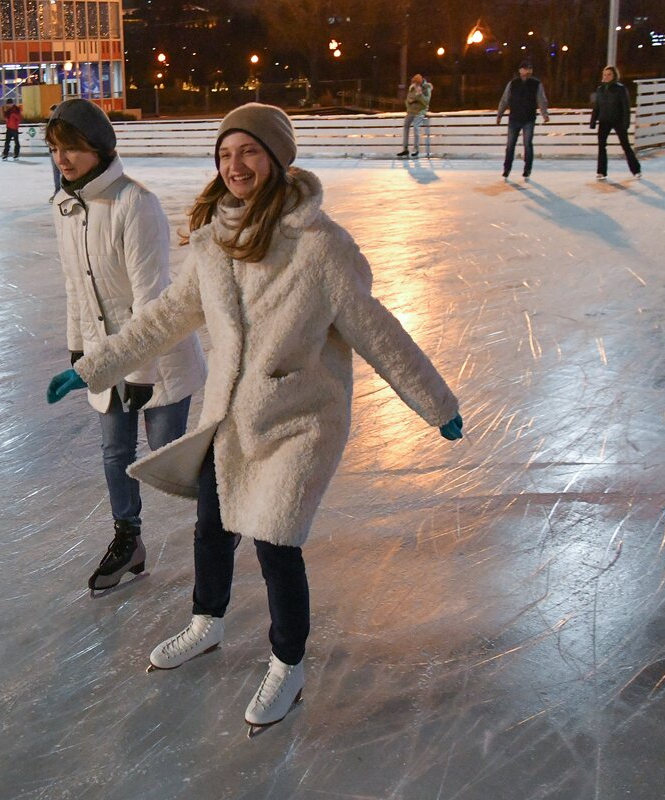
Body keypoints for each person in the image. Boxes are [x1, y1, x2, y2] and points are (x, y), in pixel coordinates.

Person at [47, 103, 464, 733]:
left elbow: (378, 332)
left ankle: (288, 663)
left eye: (248, 152)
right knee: (212, 529)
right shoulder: (214, 241)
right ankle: (205, 624)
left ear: (275, 157)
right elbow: (162, 318)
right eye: (224, 154)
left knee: (275, 540)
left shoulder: (322, 247)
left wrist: (438, 404)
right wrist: (93, 366)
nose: (235, 166)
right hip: (232, 415)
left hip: (301, 419)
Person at [46, 98, 207, 593]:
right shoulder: (64, 207)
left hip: (158, 357)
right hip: (105, 356)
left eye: (72, 148)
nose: (63, 159)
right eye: (55, 149)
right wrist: (80, 349)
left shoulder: (135, 203)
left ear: (98, 146)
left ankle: (224, 510)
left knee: (164, 450)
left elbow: (152, 299)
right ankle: (128, 538)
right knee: (115, 453)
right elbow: (75, 285)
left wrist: (140, 373)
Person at [496, 62, 550, 180]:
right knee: (510, 145)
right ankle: (507, 168)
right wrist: (499, 114)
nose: (528, 71)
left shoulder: (536, 84)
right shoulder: (513, 84)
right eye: (526, 69)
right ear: (520, 70)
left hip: (528, 119)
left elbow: (541, 100)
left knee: (527, 144)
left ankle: (527, 169)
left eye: (530, 69)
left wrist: (544, 113)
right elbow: (505, 100)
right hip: (514, 118)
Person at [589, 65, 641, 181]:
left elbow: (625, 107)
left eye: (609, 75)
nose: (606, 77)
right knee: (602, 146)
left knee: (625, 146)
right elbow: (597, 107)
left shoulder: (620, 89)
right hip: (604, 121)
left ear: (614, 76)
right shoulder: (600, 89)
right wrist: (593, 121)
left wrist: (626, 123)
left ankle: (636, 170)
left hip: (618, 120)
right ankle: (601, 171)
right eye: (605, 75)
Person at [397, 73, 432, 157]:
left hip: (420, 111)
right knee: (406, 126)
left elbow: (426, 102)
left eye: (416, 83)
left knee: (416, 128)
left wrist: (419, 95)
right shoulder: (412, 87)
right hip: (411, 111)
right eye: (414, 83)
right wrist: (409, 105)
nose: (415, 85)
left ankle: (416, 149)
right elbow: (408, 98)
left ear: (420, 82)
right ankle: (405, 149)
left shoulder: (426, 88)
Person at [48, 103, 62, 202]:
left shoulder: (61, 125)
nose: (51, 115)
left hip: (62, 151)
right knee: (56, 172)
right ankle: (57, 191)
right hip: (53, 151)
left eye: (53, 113)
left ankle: (66, 192)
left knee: (63, 172)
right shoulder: (49, 125)